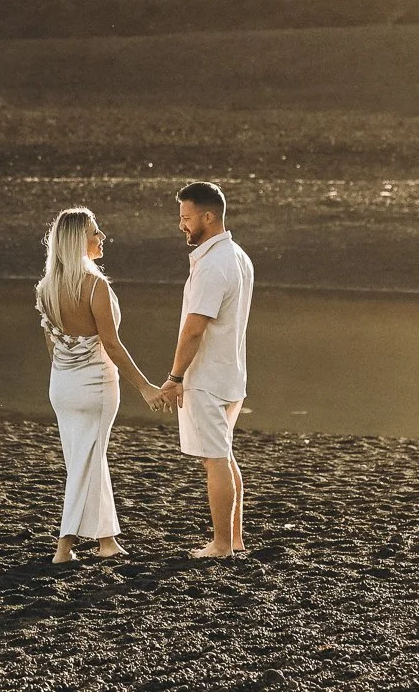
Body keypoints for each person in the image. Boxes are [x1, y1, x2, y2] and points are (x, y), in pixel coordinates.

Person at [36, 207, 163, 563]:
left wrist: (67, 376)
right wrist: (146, 387)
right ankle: (64, 546)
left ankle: (107, 541)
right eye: (95, 231)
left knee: (88, 459)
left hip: (62, 385)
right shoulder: (95, 286)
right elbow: (112, 345)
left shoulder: (46, 288)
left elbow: (52, 344)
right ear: (79, 240)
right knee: (85, 463)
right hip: (95, 385)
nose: (102, 237)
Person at [150, 181, 255, 558]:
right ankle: (235, 539)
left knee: (215, 459)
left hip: (207, 378)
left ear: (208, 217)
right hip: (231, 374)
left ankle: (222, 544)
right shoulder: (238, 255)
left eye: (187, 217)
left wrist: (175, 377)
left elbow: (194, 328)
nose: (181, 225)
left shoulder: (213, 265)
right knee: (223, 455)